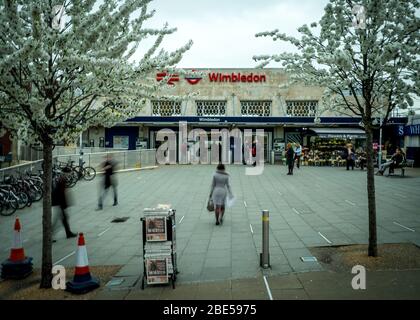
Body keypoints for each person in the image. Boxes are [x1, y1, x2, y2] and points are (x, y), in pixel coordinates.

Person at [52, 167, 77, 241]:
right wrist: (64, 204)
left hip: (59, 202)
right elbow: (61, 193)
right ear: (65, 173)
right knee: (58, 220)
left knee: (64, 218)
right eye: (69, 173)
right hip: (58, 203)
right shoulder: (61, 180)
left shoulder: (62, 179)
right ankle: (50, 235)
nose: (70, 174)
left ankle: (68, 233)